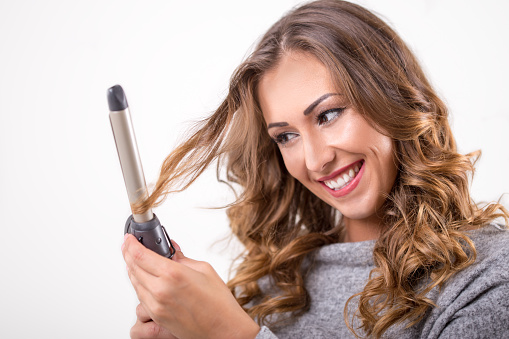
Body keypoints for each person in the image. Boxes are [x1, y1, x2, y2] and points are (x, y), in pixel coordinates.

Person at [121, 0, 509, 338]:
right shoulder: (274, 287)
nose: (315, 160)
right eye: (286, 136)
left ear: (392, 97)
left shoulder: (487, 278)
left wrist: (229, 333)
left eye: (329, 115)